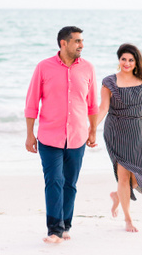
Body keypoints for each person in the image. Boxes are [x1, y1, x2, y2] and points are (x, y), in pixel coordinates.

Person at [89, 43, 142, 233]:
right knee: (124, 174)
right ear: (118, 61)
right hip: (116, 132)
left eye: (130, 60)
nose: (126, 63)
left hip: (139, 133)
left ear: (136, 62)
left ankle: (118, 196)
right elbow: (103, 108)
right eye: (123, 59)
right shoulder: (109, 82)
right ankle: (128, 219)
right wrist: (92, 128)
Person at [25, 26, 98, 243]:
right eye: (77, 41)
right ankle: (54, 229)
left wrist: (93, 130)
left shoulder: (88, 69)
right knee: (54, 181)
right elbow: (31, 103)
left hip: (77, 137)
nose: (81, 45)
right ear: (63, 43)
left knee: (70, 183)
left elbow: (92, 104)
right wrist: (30, 134)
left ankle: (66, 225)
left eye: (82, 41)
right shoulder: (43, 67)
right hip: (49, 137)